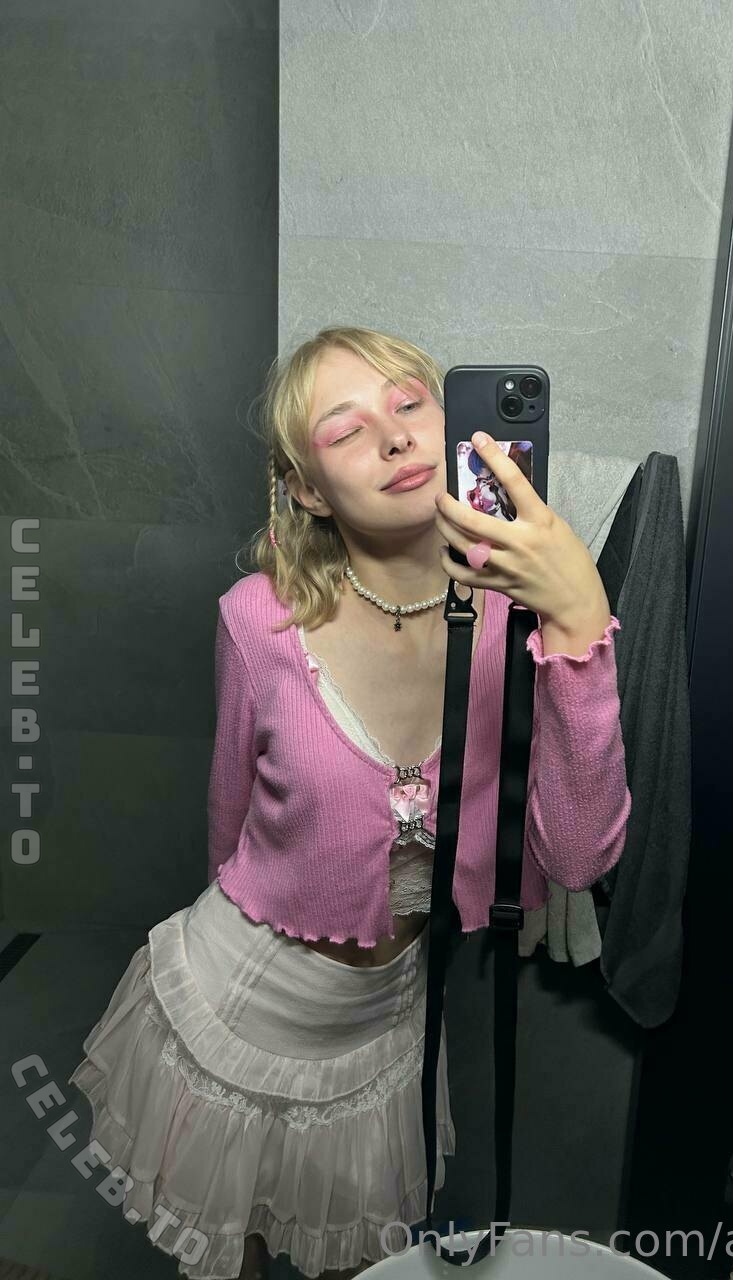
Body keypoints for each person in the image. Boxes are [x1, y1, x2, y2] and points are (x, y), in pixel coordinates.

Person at [68, 326, 632, 1279]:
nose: (395, 436)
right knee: (232, 1259)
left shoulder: (520, 618)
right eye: (346, 429)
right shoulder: (258, 621)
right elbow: (227, 818)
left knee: (356, 1263)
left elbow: (578, 857)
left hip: (390, 1024)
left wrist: (579, 621)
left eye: (411, 404)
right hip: (244, 1004)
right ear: (307, 489)